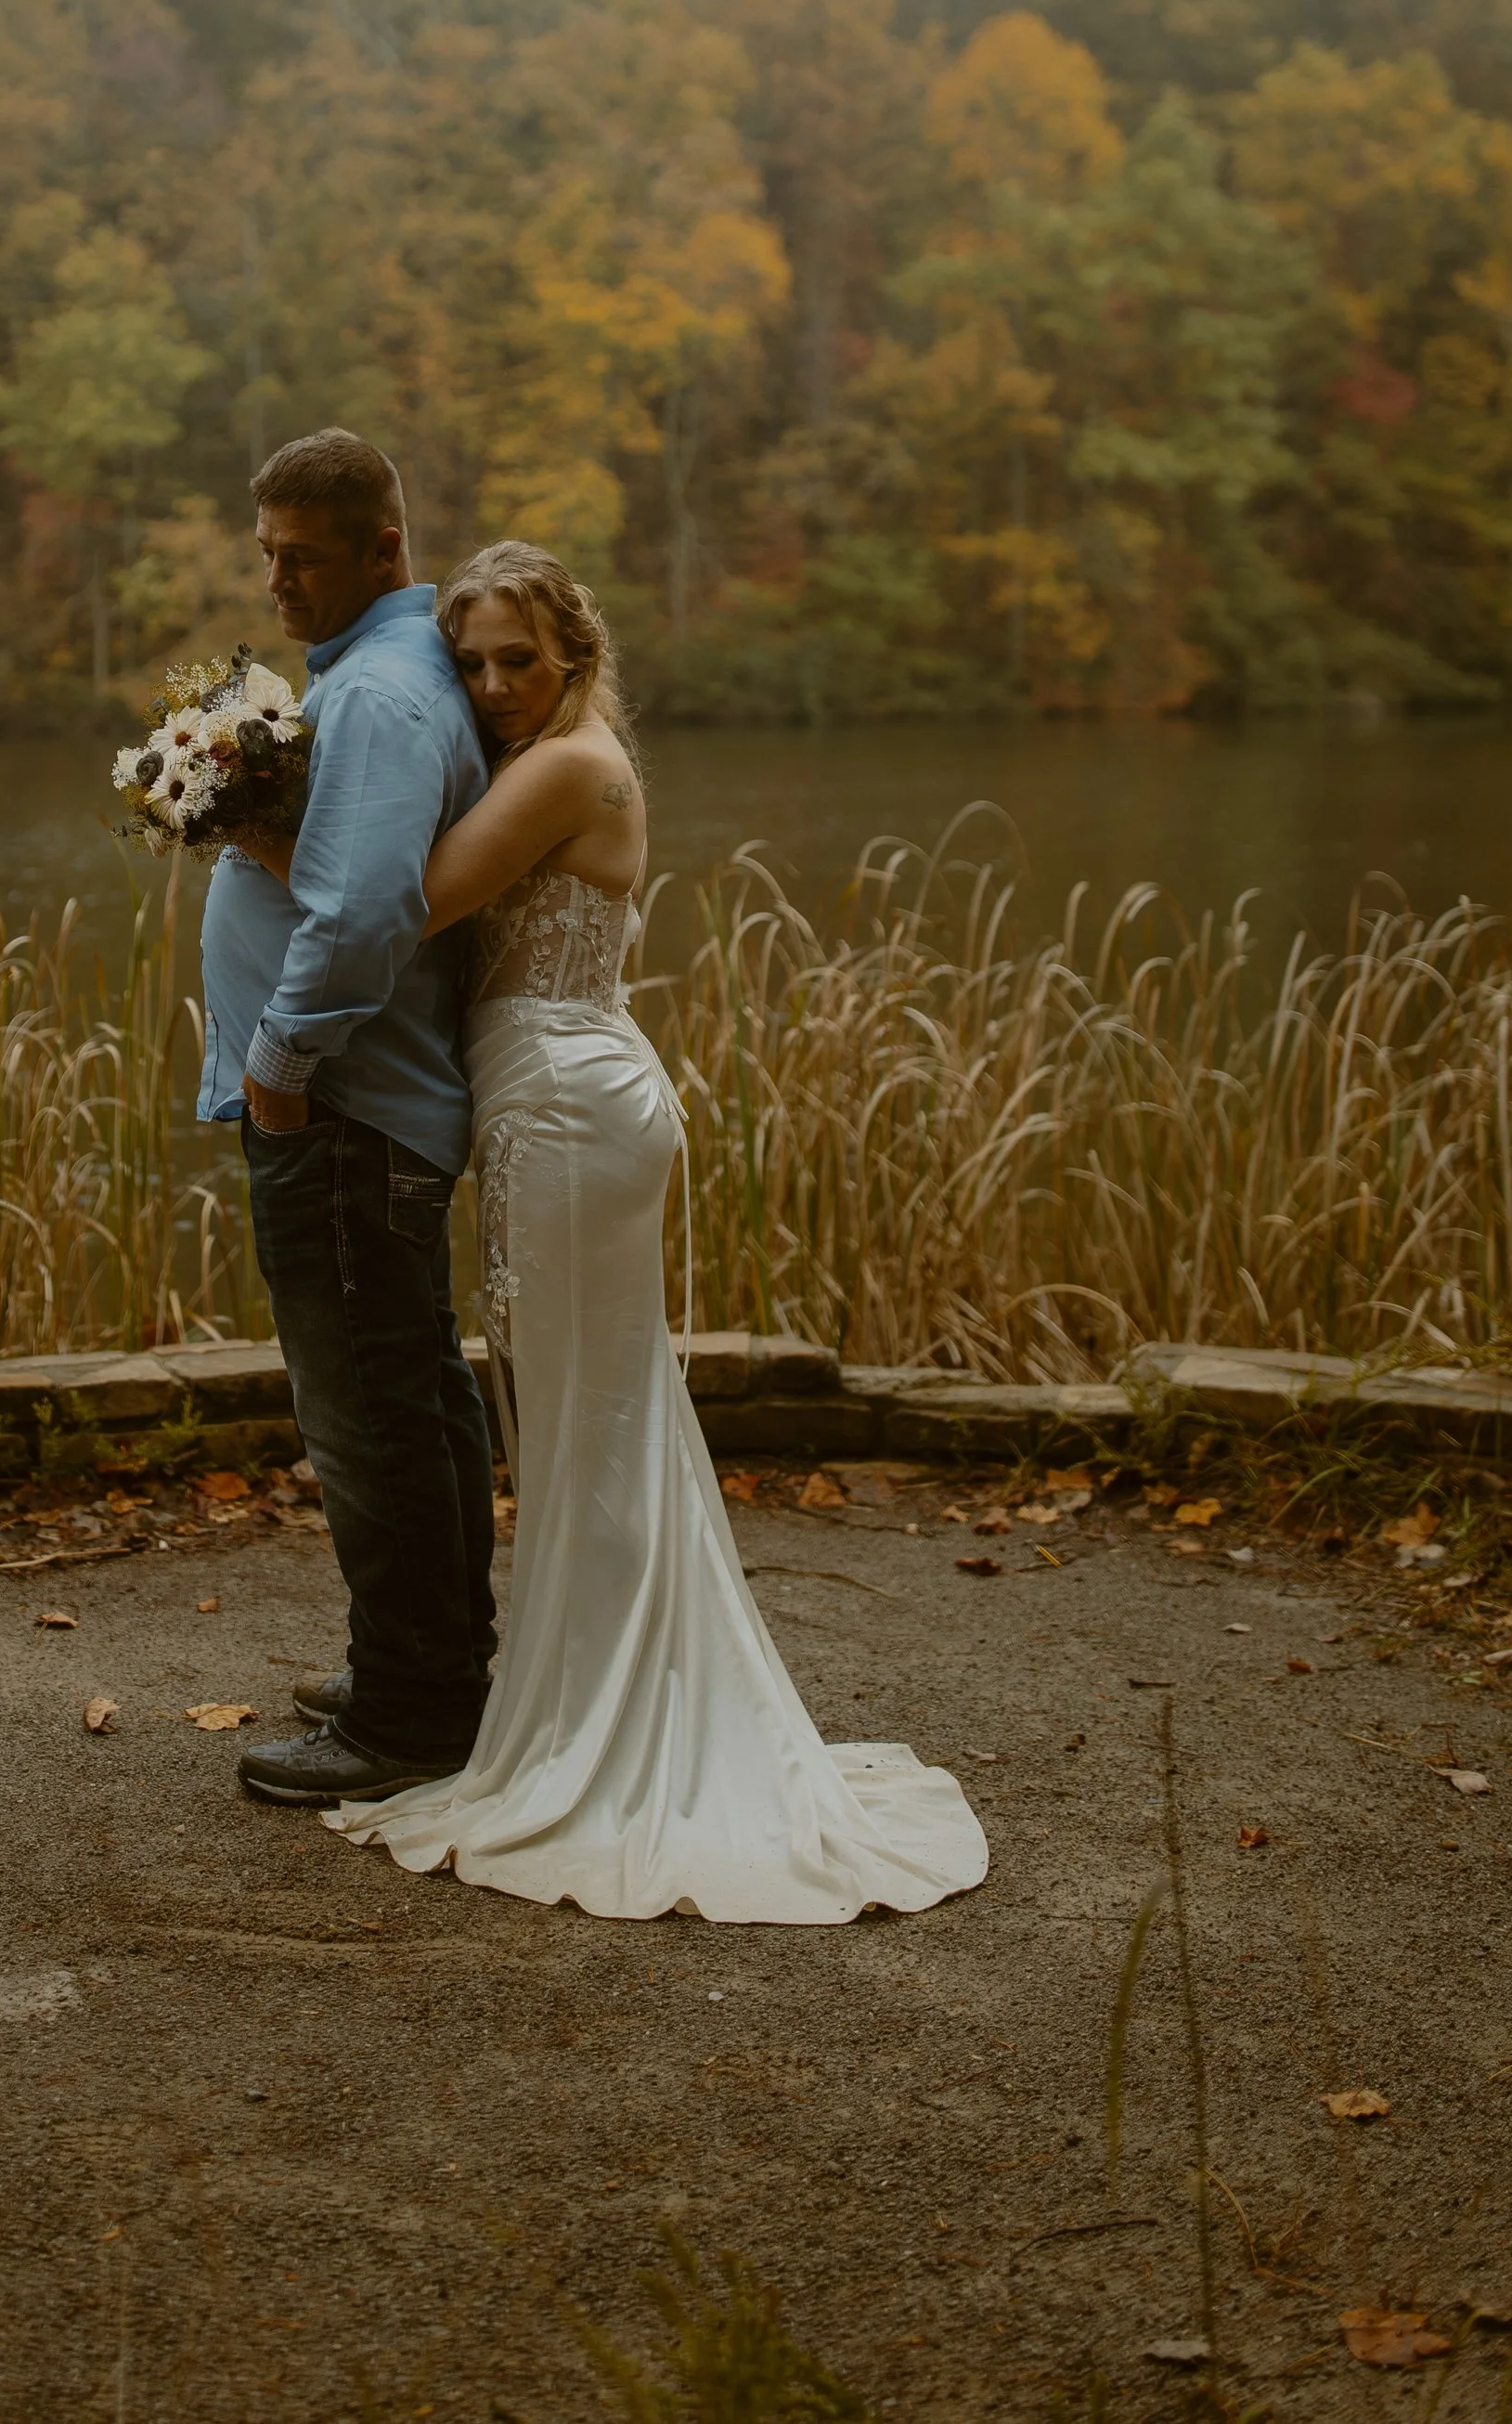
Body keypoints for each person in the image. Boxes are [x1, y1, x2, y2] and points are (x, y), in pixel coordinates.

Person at [318, 540, 990, 1924]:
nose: (493, 685)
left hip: (570, 1109)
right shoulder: (549, 757)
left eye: (520, 658)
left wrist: (251, 819)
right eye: (472, 663)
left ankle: (605, 1731)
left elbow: (410, 900)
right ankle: (588, 1699)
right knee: (587, 1421)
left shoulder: (569, 766)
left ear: (576, 649)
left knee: (588, 1425)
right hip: (557, 1103)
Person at [199, 428, 497, 1807]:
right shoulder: (393, 669)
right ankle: (439, 1666)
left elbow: (368, 908)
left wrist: (279, 1066)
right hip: (368, 1108)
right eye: (267, 554)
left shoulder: (376, 692)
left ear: (386, 547)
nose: (277, 580)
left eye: (303, 557)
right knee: (414, 1393)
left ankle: (412, 1716)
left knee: (370, 1416)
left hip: (343, 1109)